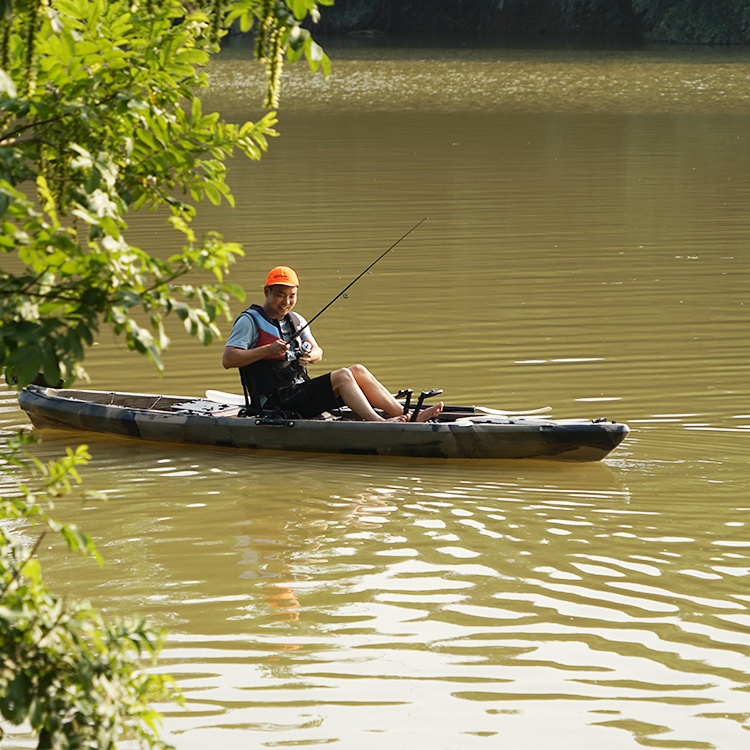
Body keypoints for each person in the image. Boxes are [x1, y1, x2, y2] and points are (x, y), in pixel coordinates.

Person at [222, 266, 444, 422]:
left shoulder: (296, 319)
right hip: (275, 402)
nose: (286, 302)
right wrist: (267, 350)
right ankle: (378, 422)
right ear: (266, 292)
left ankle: (409, 415)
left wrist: (310, 356)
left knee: (357, 370)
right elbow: (228, 359)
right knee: (342, 376)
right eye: (281, 295)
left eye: (292, 296)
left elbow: (318, 351)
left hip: (298, 391)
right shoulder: (250, 321)